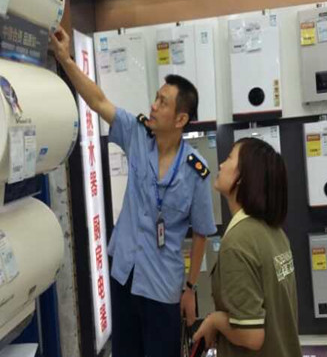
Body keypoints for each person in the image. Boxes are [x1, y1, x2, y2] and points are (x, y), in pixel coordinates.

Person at [51, 26, 217, 357]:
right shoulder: (137, 134)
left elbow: (201, 233)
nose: (153, 106)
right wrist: (65, 59)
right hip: (123, 273)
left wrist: (190, 288)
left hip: (162, 286)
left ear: (180, 118)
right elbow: (98, 100)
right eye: (156, 98)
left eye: (162, 102)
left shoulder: (194, 170)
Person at [193, 138, 301, 357]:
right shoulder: (273, 232)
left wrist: (215, 321)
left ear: (243, 177)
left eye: (229, 158)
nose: (221, 164)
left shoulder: (238, 242)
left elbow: (251, 336)